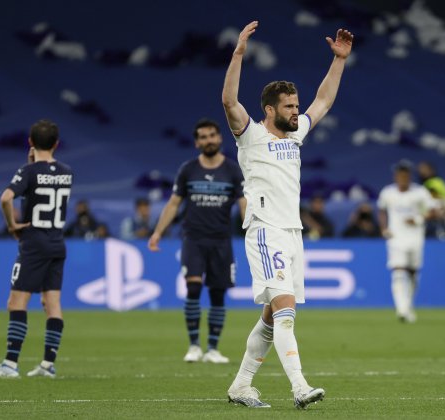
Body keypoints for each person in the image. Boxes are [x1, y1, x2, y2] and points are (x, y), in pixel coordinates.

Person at [222, 21, 353, 409]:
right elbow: (229, 102)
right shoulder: (250, 135)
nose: (297, 112)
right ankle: (299, 387)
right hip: (265, 231)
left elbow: (324, 101)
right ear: (270, 109)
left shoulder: (295, 135)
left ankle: (241, 386)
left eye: (297, 106)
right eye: (290, 107)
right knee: (286, 313)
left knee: (269, 317)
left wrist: (339, 61)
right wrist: (239, 54)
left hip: (292, 234)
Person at [148, 118, 246, 364]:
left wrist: (250, 230)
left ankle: (213, 348)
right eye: (203, 137)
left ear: (220, 138)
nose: (208, 140)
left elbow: (244, 202)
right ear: (196, 142)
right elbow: (174, 203)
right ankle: (194, 346)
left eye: (212, 135)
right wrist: (158, 232)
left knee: (217, 294)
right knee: (192, 288)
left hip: (221, 241)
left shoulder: (233, 170)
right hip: (193, 238)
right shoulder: (188, 170)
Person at [0, 119, 73, 378]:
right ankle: (48, 365)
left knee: (16, 302)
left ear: (30, 142)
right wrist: (35, 165)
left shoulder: (28, 171)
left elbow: (6, 197)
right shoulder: (67, 171)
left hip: (34, 243)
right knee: (51, 302)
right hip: (57, 242)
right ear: (56, 143)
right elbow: (48, 181)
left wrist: (13, 225)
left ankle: (10, 365)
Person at [377, 160, 434, 323]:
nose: (402, 178)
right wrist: (384, 228)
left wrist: (417, 219)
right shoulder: (388, 192)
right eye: (399, 175)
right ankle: (401, 309)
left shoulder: (420, 192)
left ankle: (408, 305)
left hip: (415, 238)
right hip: (396, 238)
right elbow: (381, 210)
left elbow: (433, 211)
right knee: (398, 270)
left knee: (413, 273)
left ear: (409, 176)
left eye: (405, 175)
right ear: (395, 176)